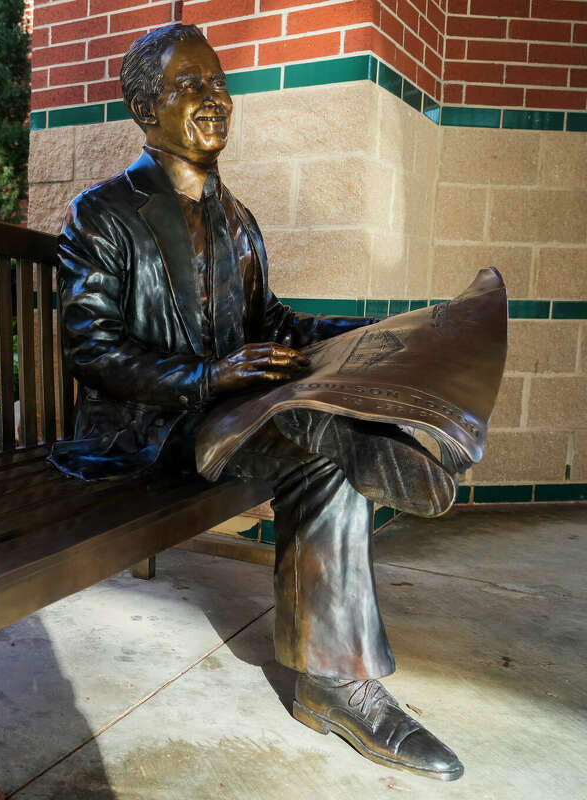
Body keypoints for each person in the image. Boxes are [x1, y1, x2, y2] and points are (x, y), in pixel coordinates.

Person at [49, 22, 464, 781]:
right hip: (142, 431)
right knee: (321, 440)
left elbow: (271, 324)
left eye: (219, 83)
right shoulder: (100, 215)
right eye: (190, 86)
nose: (216, 100)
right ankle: (335, 682)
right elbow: (92, 352)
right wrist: (209, 379)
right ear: (147, 107)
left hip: (221, 421)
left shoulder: (240, 222)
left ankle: (402, 451)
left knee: (323, 415)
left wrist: (381, 333)